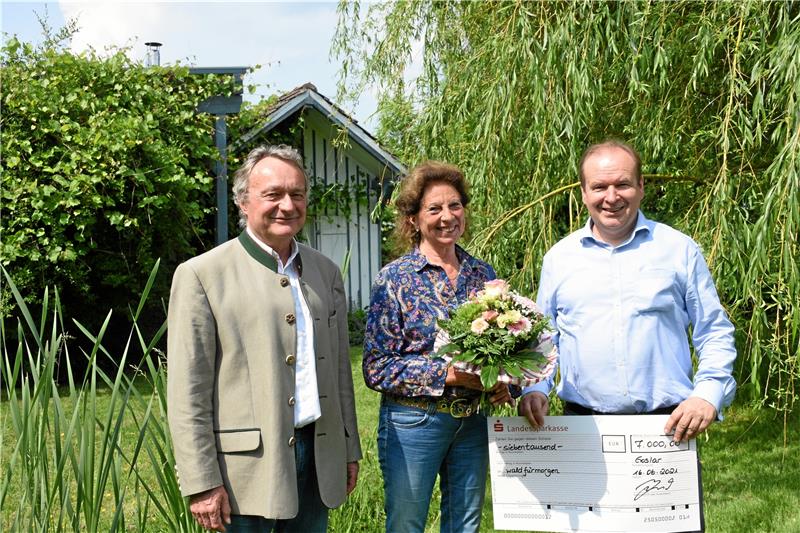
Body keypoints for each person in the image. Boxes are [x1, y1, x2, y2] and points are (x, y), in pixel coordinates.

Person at [167, 144, 361, 532]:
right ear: (243, 201)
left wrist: (347, 448)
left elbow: (339, 371)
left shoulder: (325, 272)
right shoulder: (203, 275)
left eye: (297, 194)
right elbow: (188, 392)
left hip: (319, 454)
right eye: (272, 195)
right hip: (243, 469)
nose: (287, 206)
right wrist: (202, 481)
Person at [519, 140, 737, 444]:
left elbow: (713, 330)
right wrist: (535, 390)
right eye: (599, 187)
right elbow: (544, 337)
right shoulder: (559, 259)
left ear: (641, 186)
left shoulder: (679, 250)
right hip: (583, 429)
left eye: (623, 184)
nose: (611, 197)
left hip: (668, 428)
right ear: (583, 192)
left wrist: (708, 395)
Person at [363, 161, 513, 533]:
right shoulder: (394, 279)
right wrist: (447, 374)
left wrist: (504, 381)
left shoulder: (484, 275)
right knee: (407, 524)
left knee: (465, 525)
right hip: (415, 421)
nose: (447, 216)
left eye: (455, 205)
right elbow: (376, 367)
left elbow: (504, 345)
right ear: (413, 219)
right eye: (434, 208)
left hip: (472, 421)